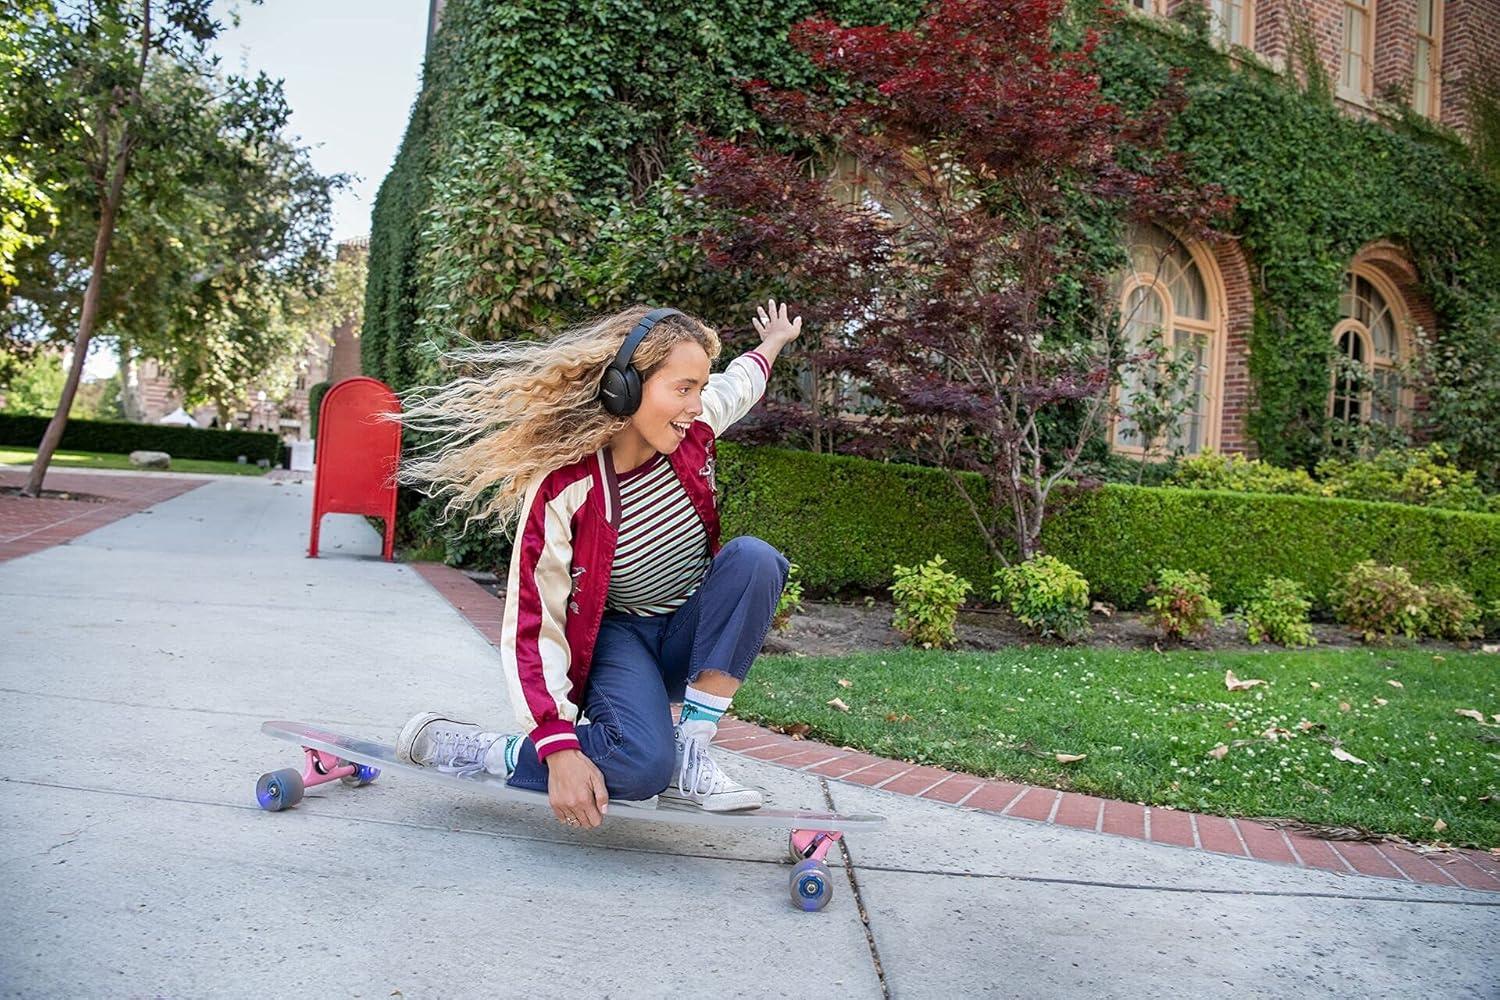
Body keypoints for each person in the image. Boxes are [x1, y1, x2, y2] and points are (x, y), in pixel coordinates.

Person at [390, 300, 803, 829]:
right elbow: (534, 621)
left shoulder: (694, 430)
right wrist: (557, 745)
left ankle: (693, 750)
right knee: (640, 765)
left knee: (755, 559)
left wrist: (772, 343)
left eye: (700, 388)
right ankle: (490, 751)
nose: (696, 405)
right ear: (624, 387)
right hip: (616, 642)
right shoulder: (566, 486)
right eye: (683, 389)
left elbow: (739, 384)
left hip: (686, 633)